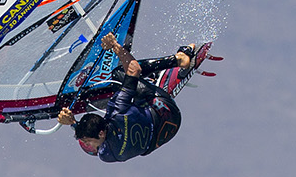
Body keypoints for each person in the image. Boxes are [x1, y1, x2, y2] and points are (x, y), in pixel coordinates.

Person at [59, 32, 197, 162]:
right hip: (166, 110)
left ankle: (146, 84)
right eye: (87, 142)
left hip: (167, 132)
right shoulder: (117, 109)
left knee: (125, 93)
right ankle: (179, 60)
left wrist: (73, 123)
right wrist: (114, 45)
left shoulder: (106, 155)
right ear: (101, 133)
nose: (88, 145)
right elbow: (134, 68)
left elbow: (99, 134)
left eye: (87, 142)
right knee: (119, 74)